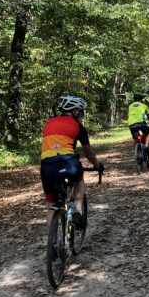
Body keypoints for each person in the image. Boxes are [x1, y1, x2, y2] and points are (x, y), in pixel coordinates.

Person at [40, 95, 101, 227]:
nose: (82, 116)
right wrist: (97, 165)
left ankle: (52, 244)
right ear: (75, 111)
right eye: (81, 112)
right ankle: (77, 208)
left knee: (51, 205)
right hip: (68, 162)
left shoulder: (48, 123)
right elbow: (89, 153)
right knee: (79, 179)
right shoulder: (78, 127)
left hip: (46, 166)